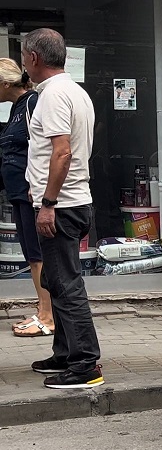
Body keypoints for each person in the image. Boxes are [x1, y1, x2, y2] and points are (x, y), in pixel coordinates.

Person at [21, 28, 103, 389]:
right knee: (56, 280)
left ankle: (85, 365)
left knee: (66, 284)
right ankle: (66, 353)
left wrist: (48, 203)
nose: (24, 65)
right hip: (74, 200)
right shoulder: (75, 91)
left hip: (62, 205)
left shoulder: (53, 95)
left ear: (34, 58)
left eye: (24, 58)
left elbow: (62, 152)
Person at [0, 58, 55, 338]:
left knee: (37, 253)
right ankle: (43, 308)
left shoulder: (33, 103)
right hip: (19, 192)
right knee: (32, 254)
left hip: (30, 191)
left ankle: (48, 315)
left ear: (5, 83)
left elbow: (45, 146)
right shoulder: (17, 108)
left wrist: (40, 187)